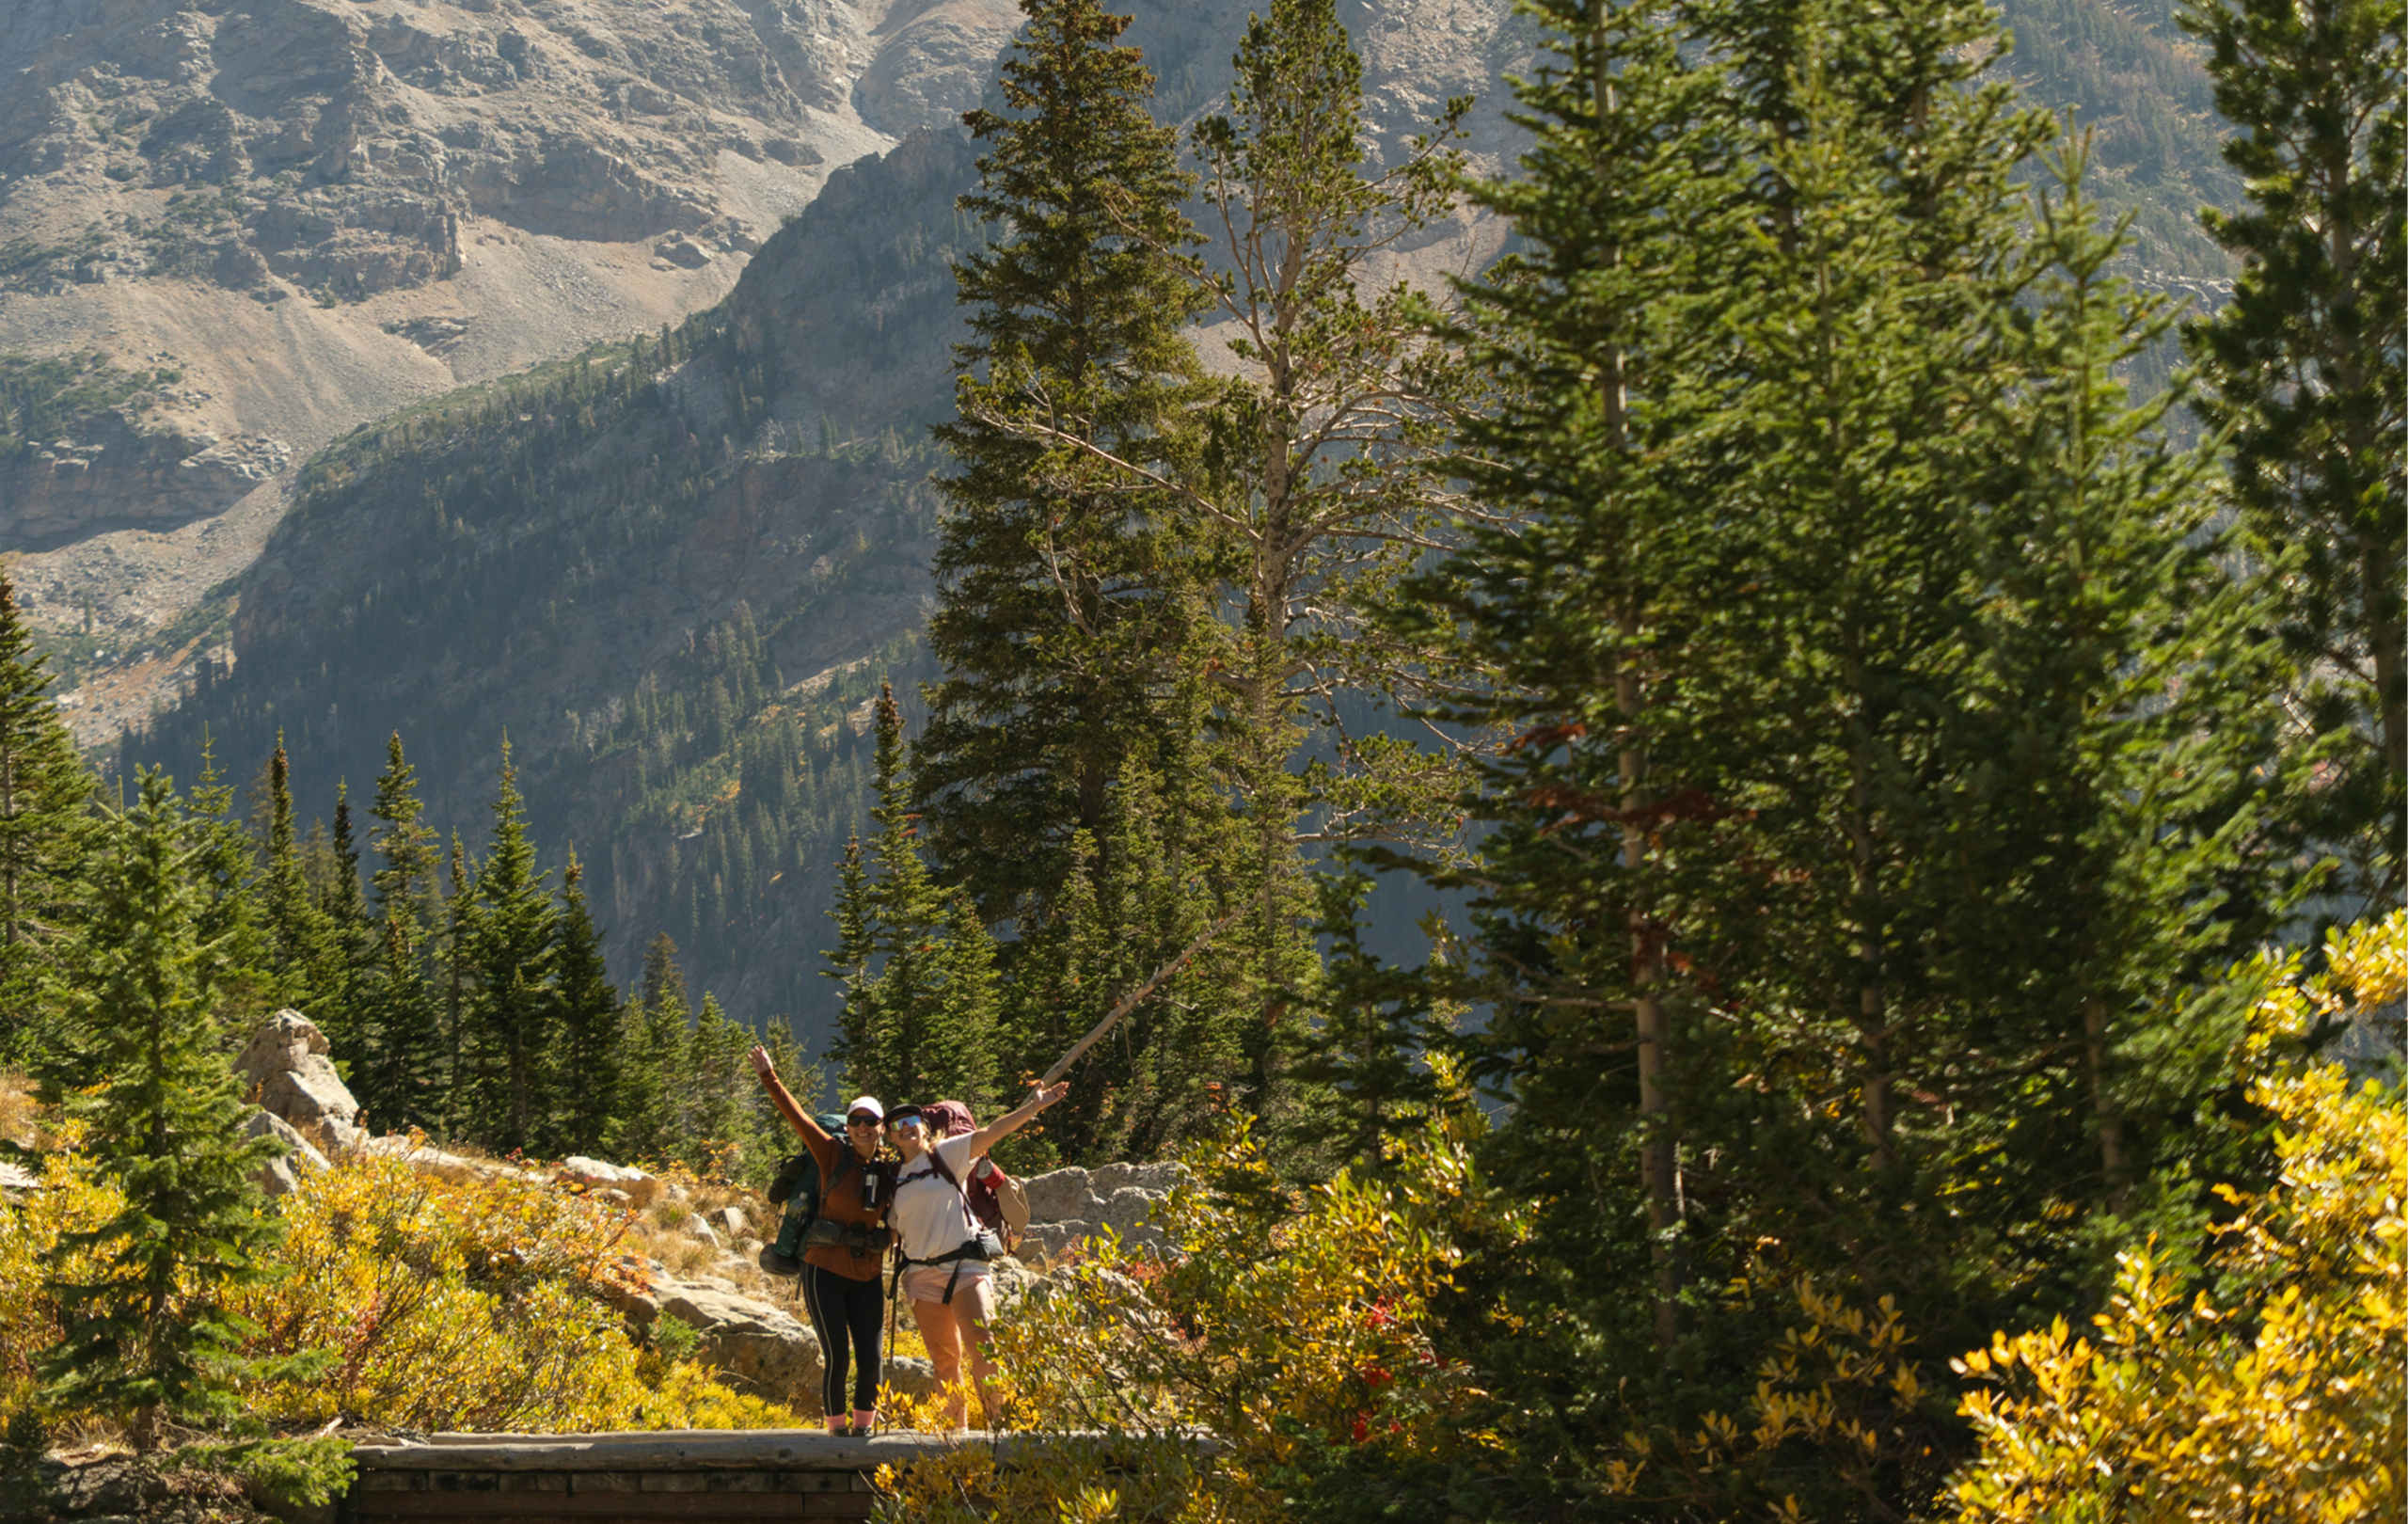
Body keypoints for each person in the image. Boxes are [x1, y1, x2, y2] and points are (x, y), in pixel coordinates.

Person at [884, 1083, 1068, 1429]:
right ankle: (957, 1439)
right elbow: (894, 1230)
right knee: (943, 1362)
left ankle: (1000, 1428)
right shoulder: (894, 1178)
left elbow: (991, 1133)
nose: (905, 1127)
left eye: (911, 1119)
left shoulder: (946, 1154)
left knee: (985, 1349)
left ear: (924, 1126)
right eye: (896, 1125)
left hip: (965, 1265)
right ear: (890, 1137)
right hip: (920, 1276)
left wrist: (1033, 1108)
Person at [749, 1045, 891, 1437]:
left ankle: (864, 1433)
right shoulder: (830, 1155)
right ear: (847, 1127)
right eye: (856, 1121)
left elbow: (906, 1212)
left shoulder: (889, 1170)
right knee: (838, 1356)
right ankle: (836, 1433)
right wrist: (768, 1076)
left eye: (871, 1121)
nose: (863, 1128)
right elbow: (796, 1116)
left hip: (866, 1272)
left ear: (882, 1127)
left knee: (872, 1359)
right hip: (823, 1268)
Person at [760, 1111, 850, 1278]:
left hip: (822, 1251)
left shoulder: (816, 1157)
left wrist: (783, 1250)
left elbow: (799, 1206)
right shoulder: (860, 1151)